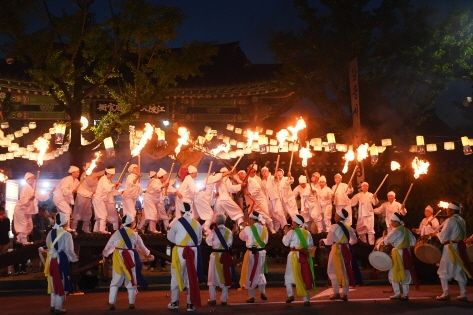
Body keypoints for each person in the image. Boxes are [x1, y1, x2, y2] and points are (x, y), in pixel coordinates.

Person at [103, 214, 152, 310]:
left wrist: (105, 254)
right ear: (131, 224)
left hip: (118, 258)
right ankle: (131, 303)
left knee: (115, 281)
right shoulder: (135, 234)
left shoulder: (116, 233)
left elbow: (109, 246)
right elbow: (142, 247)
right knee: (131, 280)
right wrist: (148, 254)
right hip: (130, 257)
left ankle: (112, 303)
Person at [167, 202, 203, 312]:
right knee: (191, 276)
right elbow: (200, 240)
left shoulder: (176, 223)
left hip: (179, 251)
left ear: (181, 211)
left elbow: (171, 238)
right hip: (193, 252)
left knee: (176, 275)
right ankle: (190, 304)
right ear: (191, 211)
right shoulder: (197, 224)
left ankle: (174, 302)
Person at [43, 213, 78, 313]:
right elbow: (69, 250)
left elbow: (47, 244)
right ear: (65, 222)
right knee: (61, 283)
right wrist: (74, 258)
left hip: (50, 260)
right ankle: (58, 307)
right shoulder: (67, 235)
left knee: (53, 282)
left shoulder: (50, 233)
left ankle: (53, 305)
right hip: (61, 260)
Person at [436, 202, 471, 301]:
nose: (447, 211)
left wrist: (436, 234)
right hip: (460, 247)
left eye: (448, 209)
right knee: (459, 269)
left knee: (443, 270)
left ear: (452, 210)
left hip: (450, 248)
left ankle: (445, 293)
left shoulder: (450, 220)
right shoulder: (461, 220)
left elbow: (443, 237)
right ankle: (463, 294)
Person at [322, 209, 357, 301]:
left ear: (339, 217)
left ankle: (336, 292)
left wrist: (323, 240)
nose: (334, 216)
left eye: (336, 215)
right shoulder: (349, 227)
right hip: (346, 249)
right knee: (345, 270)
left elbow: (329, 241)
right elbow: (354, 240)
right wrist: (346, 244)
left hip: (336, 249)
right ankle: (345, 294)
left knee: (331, 270)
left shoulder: (334, 227)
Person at [283, 214, 314, 306]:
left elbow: (285, 243)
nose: (292, 223)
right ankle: (306, 299)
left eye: (293, 221)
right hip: (303, 256)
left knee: (288, 276)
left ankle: (290, 295)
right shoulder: (307, 233)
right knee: (303, 275)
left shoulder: (291, 232)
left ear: (296, 223)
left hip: (293, 255)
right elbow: (310, 245)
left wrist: (285, 233)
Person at [384, 213, 416, 300]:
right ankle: (405, 294)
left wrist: (385, 236)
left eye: (392, 221)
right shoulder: (407, 230)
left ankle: (397, 293)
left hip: (398, 253)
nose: (391, 223)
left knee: (393, 272)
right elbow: (413, 242)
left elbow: (386, 241)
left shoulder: (396, 231)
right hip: (406, 253)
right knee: (405, 272)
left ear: (397, 222)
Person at [239, 211, 269, 303]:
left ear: (252, 219)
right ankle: (262, 291)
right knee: (260, 272)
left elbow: (241, 237)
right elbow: (266, 241)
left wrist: (243, 228)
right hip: (262, 253)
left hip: (252, 253)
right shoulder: (265, 229)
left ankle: (251, 296)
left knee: (250, 273)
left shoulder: (248, 228)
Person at [206, 213, 233, 306]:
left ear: (216, 222)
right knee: (225, 276)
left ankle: (212, 299)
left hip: (215, 256)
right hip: (225, 256)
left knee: (212, 278)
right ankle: (224, 299)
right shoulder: (229, 232)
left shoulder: (213, 231)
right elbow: (230, 244)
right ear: (224, 221)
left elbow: (208, 242)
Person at [14, 172, 48, 244]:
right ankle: (23, 241)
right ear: (27, 179)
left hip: (28, 211)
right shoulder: (25, 188)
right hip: (21, 210)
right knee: (24, 225)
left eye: (34, 178)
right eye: (32, 178)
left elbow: (40, 197)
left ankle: (19, 238)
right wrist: (29, 199)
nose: (33, 179)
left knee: (30, 226)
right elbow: (23, 201)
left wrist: (49, 193)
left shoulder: (34, 188)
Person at [72, 165, 102, 233]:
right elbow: (90, 182)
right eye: (88, 167)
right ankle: (74, 229)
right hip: (82, 195)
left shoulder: (94, 176)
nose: (90, 168)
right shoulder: (84, 174)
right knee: (78, 213)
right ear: (85, 168)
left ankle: (86, 229)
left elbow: (95, 186)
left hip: (89, 197)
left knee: (88, 213)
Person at [246, 165, 275, 233]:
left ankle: (272, 230)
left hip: (261, 200)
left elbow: (258, 188)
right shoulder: (248, 179)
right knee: (259, 216)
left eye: (253, 171)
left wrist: (250, 193)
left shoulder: (253, 179)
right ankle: (263, 230)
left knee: (266, 214)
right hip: (255, 201)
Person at [92, 167, 120, 234]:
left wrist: (117, 189)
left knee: (99, 216)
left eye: (113, 175)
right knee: (103, 215)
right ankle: (102, 230)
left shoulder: (108, 181)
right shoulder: (103, 178)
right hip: (98, 199)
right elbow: (107, 188)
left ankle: (95, 230)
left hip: (100, 200)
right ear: (107, 173)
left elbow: (111, 191)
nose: (112, 176)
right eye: (111, 174)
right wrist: (114, 185)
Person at [53, 166, 80, 232]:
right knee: (68, 210)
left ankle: (58, 227)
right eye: (77, 172)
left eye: (79, 172)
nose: (78, 173)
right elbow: (64, 190)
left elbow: (78, 189)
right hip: (59, 197)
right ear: (72, 173)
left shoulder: (77, 181)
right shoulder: (67, 179)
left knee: (61, 213)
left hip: (65, 199)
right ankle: (67, 227)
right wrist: (71, 191)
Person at [193, 169, 221, 235]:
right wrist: (227, 173)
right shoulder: (210, 178)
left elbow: (210, 195)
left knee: (195, 216)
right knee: (210, 214)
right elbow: (219, 176)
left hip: (199, 199)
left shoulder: (212, 182)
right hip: (200, 199)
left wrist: (215, 195)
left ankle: (195, 229)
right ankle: (205, 229)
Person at [140, 169, 168, 234]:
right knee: (153, 213)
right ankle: (151, 229)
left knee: (155, 215)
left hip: (153, 201)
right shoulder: (156, 181)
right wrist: (163, 186)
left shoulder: (158, 182)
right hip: (149, 200)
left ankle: (151, 228)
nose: (166, 177)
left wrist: (164, 186)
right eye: (165, 176)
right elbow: (156, 188)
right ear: (162, 176)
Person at [260, 166, 287, 231]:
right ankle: (276, 230)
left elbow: (276, 180)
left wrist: (276, 177)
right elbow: (263, 192)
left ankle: (285, 227)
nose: (264, 173)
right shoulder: (262, 182)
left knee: (279, 212)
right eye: (262, 172)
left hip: (275, 198)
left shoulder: (272, 177)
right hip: (268, 200)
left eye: (265, 171)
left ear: (268, 171)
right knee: (273, 215)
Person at [0, 207, 10, 276]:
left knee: (5, 257)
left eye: (2, 212)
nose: (1, 214)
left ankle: (5, 271)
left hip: (5, 241)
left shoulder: (7, 220)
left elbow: (7, 229)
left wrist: (2, 220)